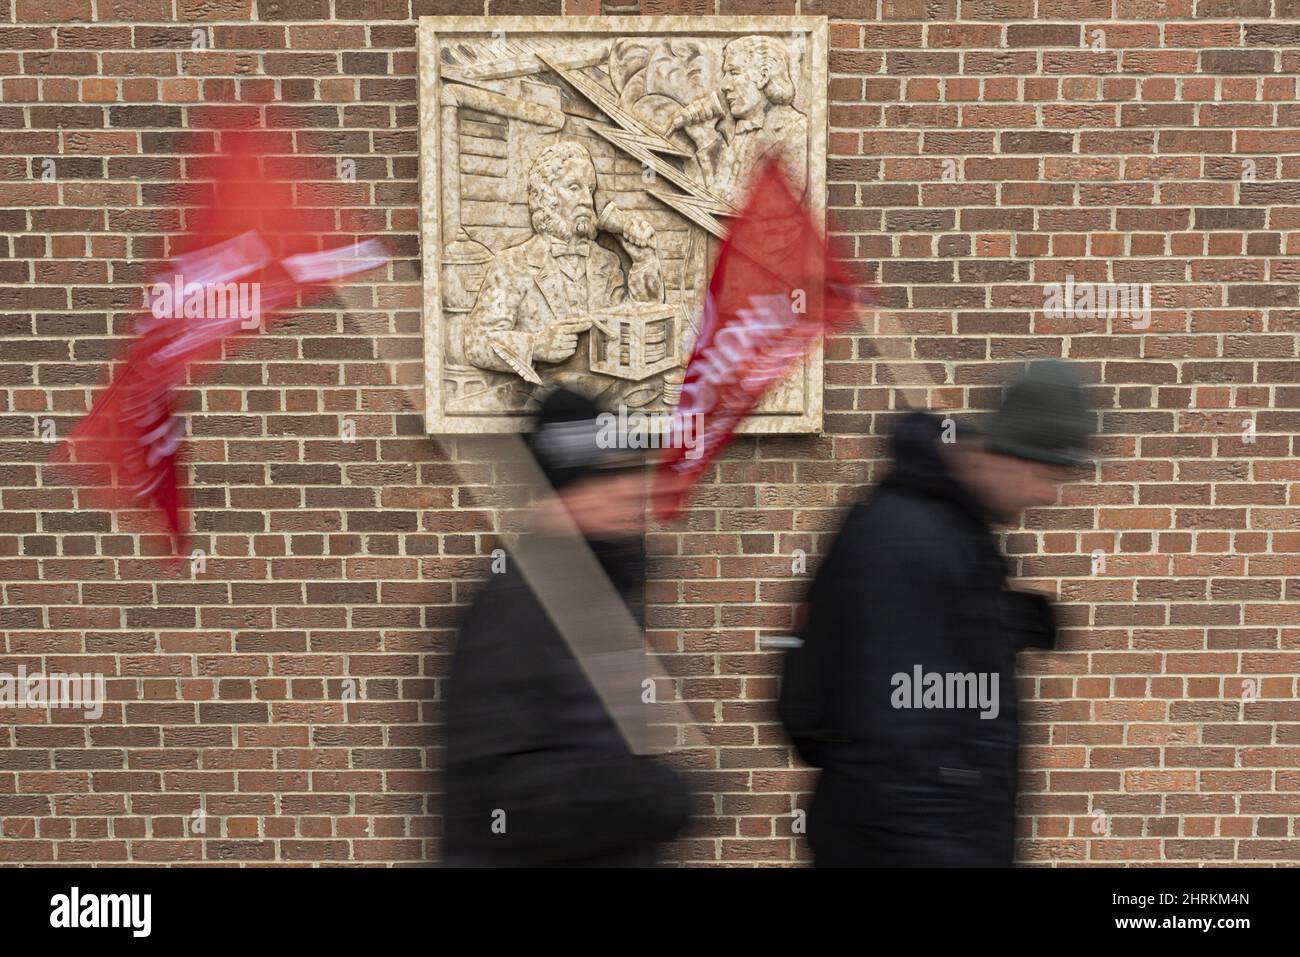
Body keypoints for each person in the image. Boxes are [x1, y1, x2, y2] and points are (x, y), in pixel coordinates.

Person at [779, 360, 1093, 867]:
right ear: (1005, 453)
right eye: (1046, 472)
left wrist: (1006, 621)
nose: (1049, 494)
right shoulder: (914, 540)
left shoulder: (948, 532)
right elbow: (901, 746)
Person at [441, 387, 689, 866]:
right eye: (600, 479)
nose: (626, 490)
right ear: (559, 492)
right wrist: (647, 796)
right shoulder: (517, 607)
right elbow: (503, 792)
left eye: (624, 472)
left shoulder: (595, 591)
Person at [463, 140, 663, 403]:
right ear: (546, 197)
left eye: (589, 189)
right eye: (573, 187)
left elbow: (636, 328)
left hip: (611, 401)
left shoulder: (607, 262)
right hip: (541, 404)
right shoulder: (513, 264)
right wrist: (536, 345)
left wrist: (643, 261)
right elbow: (477, 342)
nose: (586, 200)